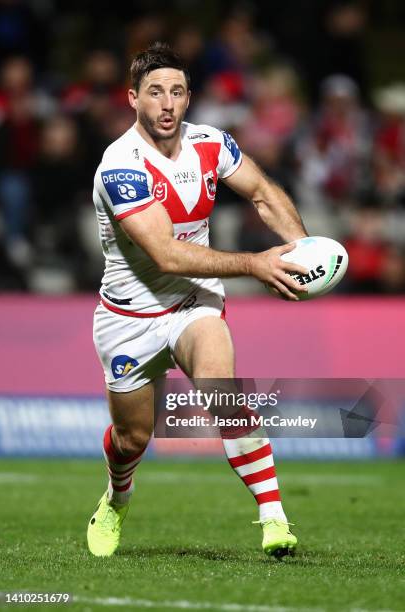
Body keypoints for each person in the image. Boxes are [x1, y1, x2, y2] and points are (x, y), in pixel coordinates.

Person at [87, 42, 308, 559]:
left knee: (226, 397)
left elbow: (263, 194)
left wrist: (303, 252)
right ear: (133, 99)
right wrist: (256, 263)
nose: (167, 103)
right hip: (128, 319)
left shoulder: (212, 143)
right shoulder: (119, 165)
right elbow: (165, 254)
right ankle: (117, 500)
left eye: (178, 92)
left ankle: (274, 518)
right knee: (132, 439)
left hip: (194, 304)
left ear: (189, 99)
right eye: (155, 92)